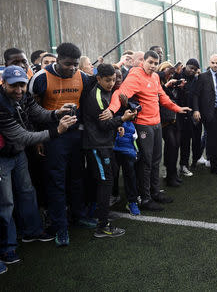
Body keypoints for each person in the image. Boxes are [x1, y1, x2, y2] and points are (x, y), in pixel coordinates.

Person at [0, 66, 77, 264]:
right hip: (3, 157)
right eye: (13, 86)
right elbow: (23, 136)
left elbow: (38, 113)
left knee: (27, 192)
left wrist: (57, 113)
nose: (18, 90)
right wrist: (56, 131)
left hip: (16, 153)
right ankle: (7, 248)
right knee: (5, 203)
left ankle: (32, 232)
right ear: (3, 83)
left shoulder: (23, 96)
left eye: (21, 85)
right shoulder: (1, 105)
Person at [29, 42, 97, 246]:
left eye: (76, 64)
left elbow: (85, 107)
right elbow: (31, 111)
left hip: (75, 136)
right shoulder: (40, 78)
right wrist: (39, 138)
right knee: (56, 181)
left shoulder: (83, 77)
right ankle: (60, 227)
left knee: (77, 178)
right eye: (68, 64)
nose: (73, 68)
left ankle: (78, 215)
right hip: (52, 137)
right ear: (58, 60)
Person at [107, 50, 191, 211]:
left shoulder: (155, 77)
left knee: (155, 160)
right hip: (143, 125)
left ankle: (154, 192)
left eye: (155, 63)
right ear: (143, 61)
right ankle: (145, 198)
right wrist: (111, 110)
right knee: (145, 162)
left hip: (156, 123)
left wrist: (177, 108)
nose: (152, 66)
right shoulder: (135, 75)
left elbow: (162, 97)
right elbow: (120, 93)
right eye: (150, 62)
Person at [83, 63, 137, 237]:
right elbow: (103, 123)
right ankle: (102, 225)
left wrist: (117, 126)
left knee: (108, 177)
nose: (111, 83)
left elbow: (107, 123)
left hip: (105, 143)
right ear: (98, 78)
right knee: (105, 181)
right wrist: (122, 119)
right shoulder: (96, 96)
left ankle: (99, 212)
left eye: (113, 80)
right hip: (97, 146)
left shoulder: (107, 92)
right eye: (107, 80)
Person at [193, 54, 217, 175]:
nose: (215, 65)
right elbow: (195, 95)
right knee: (213, 140)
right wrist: (196, 110)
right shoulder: (203, 77)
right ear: (209, 63)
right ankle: (214, 167)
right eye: (213, 63)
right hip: (210, 112)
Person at [174, 59, 202, 173]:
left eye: (195, 69)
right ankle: (178, 167)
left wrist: (196, 110)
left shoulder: (197, 78)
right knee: (181, 142)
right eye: (191, 68)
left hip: (193, 113)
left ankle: (192, 162)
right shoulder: (178, 76)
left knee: (194, 140)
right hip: (179, 114)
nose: (192, 71)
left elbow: (196, 95)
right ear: (186, 66)